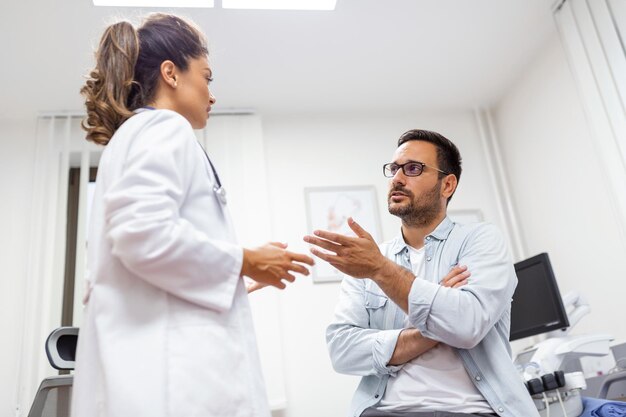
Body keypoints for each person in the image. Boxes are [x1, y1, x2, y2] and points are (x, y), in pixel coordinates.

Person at [72, 14, 314, 417]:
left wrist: (238, 276)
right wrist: (245, 260)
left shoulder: (133, 137)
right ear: (171, 73)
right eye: (207, 76)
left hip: (152, 373)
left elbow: (140, 258)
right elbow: (142, 235)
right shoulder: (163, 128)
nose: (212, 94)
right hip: (173, 387)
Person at [304, 129, 539, 417]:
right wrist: (438, 319)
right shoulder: (370, 260)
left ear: (447, 185)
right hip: (383, 412)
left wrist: (381, 271)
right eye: (394, 169)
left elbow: (467, 324)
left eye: (413, 168)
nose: (397, 179)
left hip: (473, 412)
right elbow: (342, 351)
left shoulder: (480, 240)